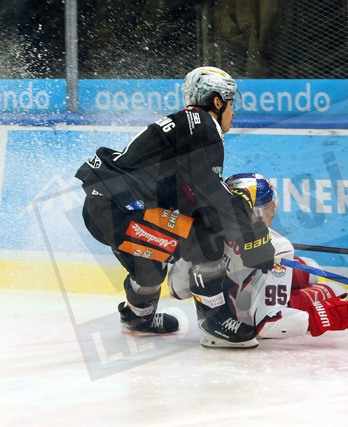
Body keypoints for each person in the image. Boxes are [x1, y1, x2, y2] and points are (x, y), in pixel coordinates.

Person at [75, 67, 275, 349]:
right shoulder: (203, 126)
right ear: (217, 101)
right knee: (205, 238)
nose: (233, 111)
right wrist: (251, 237)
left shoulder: (187, 124)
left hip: (108, 207)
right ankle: (215, 321)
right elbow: (211, 196)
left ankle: (138, 316)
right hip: (121, 211)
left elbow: (193, 196)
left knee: (151, 268)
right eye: (231, 102)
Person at [168, 172, 348, 343]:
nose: (274, 210)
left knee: (308, 268)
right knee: (328, 290)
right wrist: (320, 317)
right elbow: (269, 324)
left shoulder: (205, 232)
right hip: (247, 318)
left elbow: (176, 290)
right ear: (256, 211)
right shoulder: (277, 246)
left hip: (222, 311)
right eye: (270, 205)